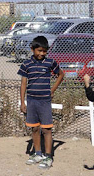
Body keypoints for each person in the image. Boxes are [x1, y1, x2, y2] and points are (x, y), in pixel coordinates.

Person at [19, 35, 65, 169]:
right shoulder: (26, 64)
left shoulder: (50, 62)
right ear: (32, 49)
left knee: (46, 129)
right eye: (39, 51)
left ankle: (48, 156)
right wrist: (23, 102)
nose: (41, 54)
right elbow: (23, 84)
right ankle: (37, 153)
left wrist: (52, 90)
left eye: (44, 51)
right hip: (32, 101)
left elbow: (61, 74)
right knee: (34, 128)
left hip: (44, 101)